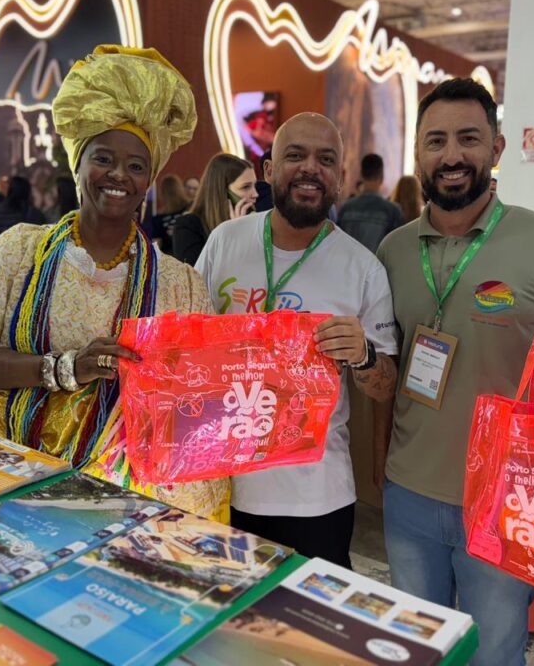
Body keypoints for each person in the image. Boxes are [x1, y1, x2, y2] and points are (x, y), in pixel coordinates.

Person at [0, 45, 227, 520]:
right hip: (14, 480)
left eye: (137, 166)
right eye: (104, 158)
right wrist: (63, 368)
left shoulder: (182, 283)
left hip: (126, 501)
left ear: (149, 180)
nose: (119, 175)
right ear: (77, 165)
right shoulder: (21, 249)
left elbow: (199, 402)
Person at [374, 78, 534, 666]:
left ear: (496, 148)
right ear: (418, 154)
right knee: (415, 649)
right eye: (436, 141)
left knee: (494, 653)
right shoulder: (393, 251)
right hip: (409, 492)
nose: (452, 155)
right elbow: (386, 369)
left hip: (508, 499)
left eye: (469, 139)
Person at [195, 112, 399, 567]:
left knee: (304, 614)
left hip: (316, 497)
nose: (311, 168)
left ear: (340, 176)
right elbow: (187, 349)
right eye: (295, 155)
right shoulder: (225, 243)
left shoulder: (362, 268)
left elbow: (385, 386)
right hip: (220, 483)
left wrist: (364, 355)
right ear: (268, 170)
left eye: (326, 159)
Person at [172, 153, 257, 265]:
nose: (255, 194)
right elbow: (196, 273)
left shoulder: (255, 223)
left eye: (254, 186)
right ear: (223, 192)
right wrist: (233, 234)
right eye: (245, 187)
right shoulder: (188, 226)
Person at [336, 153, 404, 253]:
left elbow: (338, 245)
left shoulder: (345, 209)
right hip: (377, 263)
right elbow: (396, 250)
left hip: (347, 263)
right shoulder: (392, 212)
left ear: (361, 175)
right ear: (382, 177)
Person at [144, 173, 189, 256]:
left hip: (169, 257)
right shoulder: (189, 208)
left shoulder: (158, 219)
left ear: (162, 193)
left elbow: (156, 243)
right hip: (187, 253)